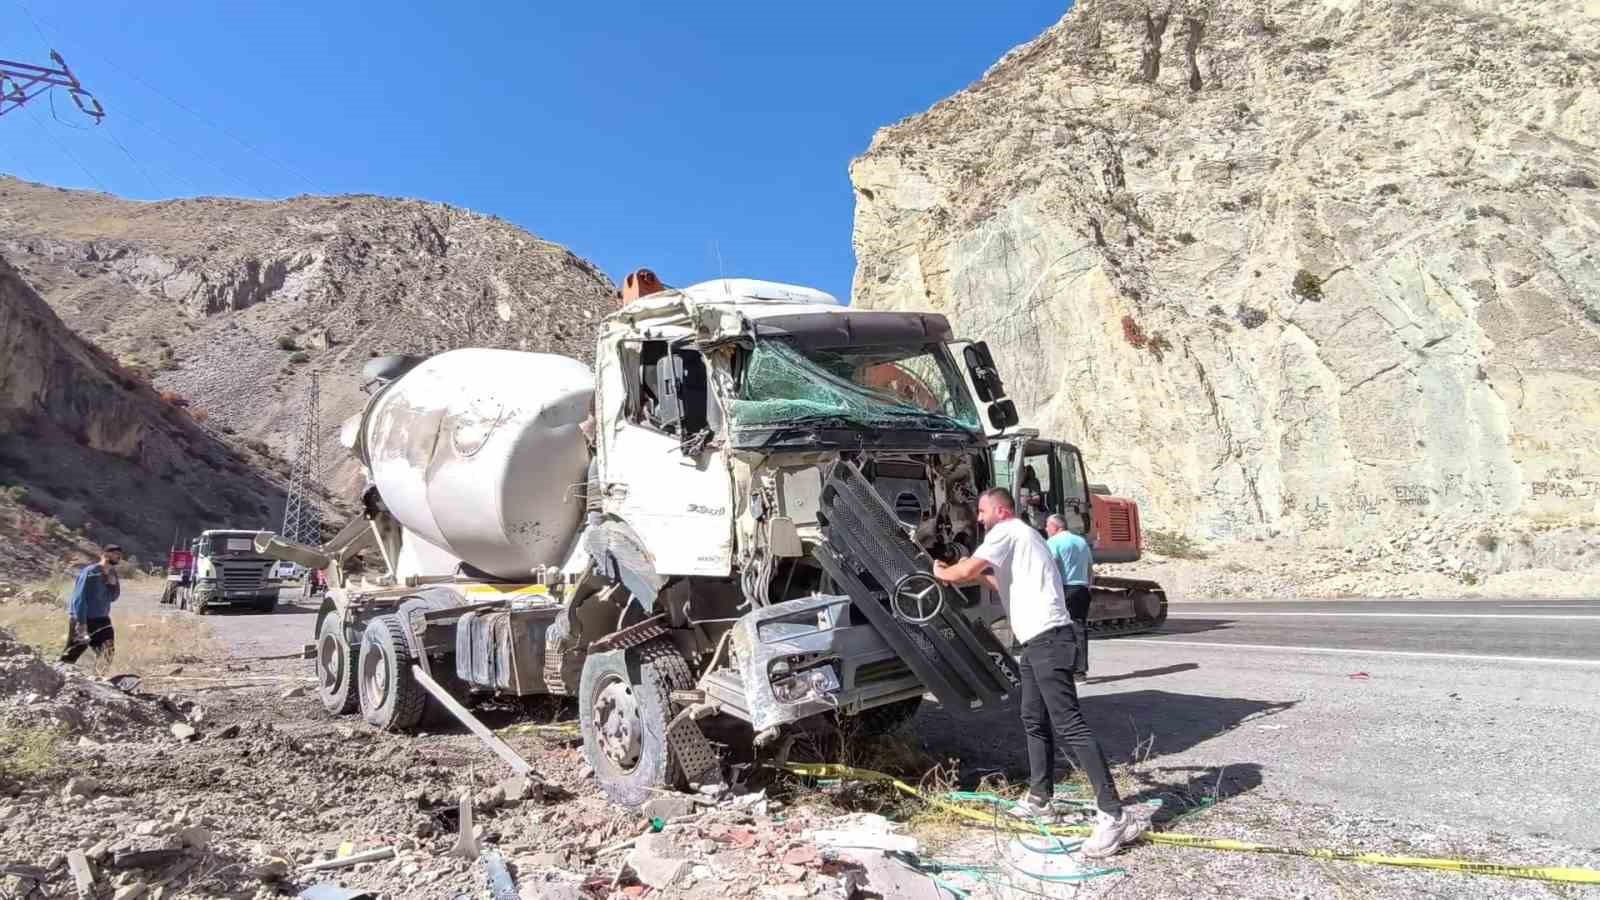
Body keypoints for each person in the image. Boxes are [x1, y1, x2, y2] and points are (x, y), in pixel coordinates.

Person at [931, 488, 1145, 858]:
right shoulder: (1026, 537)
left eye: (982, 512)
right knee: (1033, 717)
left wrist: (943, 572)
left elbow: (963, 571)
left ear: (1000, 510)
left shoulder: (1007, 531)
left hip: (1048, 640)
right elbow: (1005, 584)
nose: (978, 519)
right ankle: (1040, 797)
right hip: (1036, 642)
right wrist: (980, 575)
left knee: (1070, 725)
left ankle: (1114, 816)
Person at [1046, 514, 1094, 679]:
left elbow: (1050, 566)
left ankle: (1061, 667)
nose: (1046, 529)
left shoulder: (1053, 542)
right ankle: (1080, 671)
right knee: (1079, 629)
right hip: (1081, 588)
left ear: (1056, 527)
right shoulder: (1081, 542)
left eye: (1048, 526)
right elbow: (1089, 568)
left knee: (1058, 628)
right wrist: (1088, 587)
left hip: (1064, 589)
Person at [60, 544, 123, 666]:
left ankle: (100, 679)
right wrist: (81, 623)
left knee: (107, 652)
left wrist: (112, 585)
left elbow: (113, 598)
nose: (119, 556)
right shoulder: (91, 572)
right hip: (84, 619)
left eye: (120, 554)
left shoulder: (112, 573)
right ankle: (60, 675)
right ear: (105, 554)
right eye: (115, 553)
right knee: (72, 653)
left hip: (102, 619)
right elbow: (79, 597)